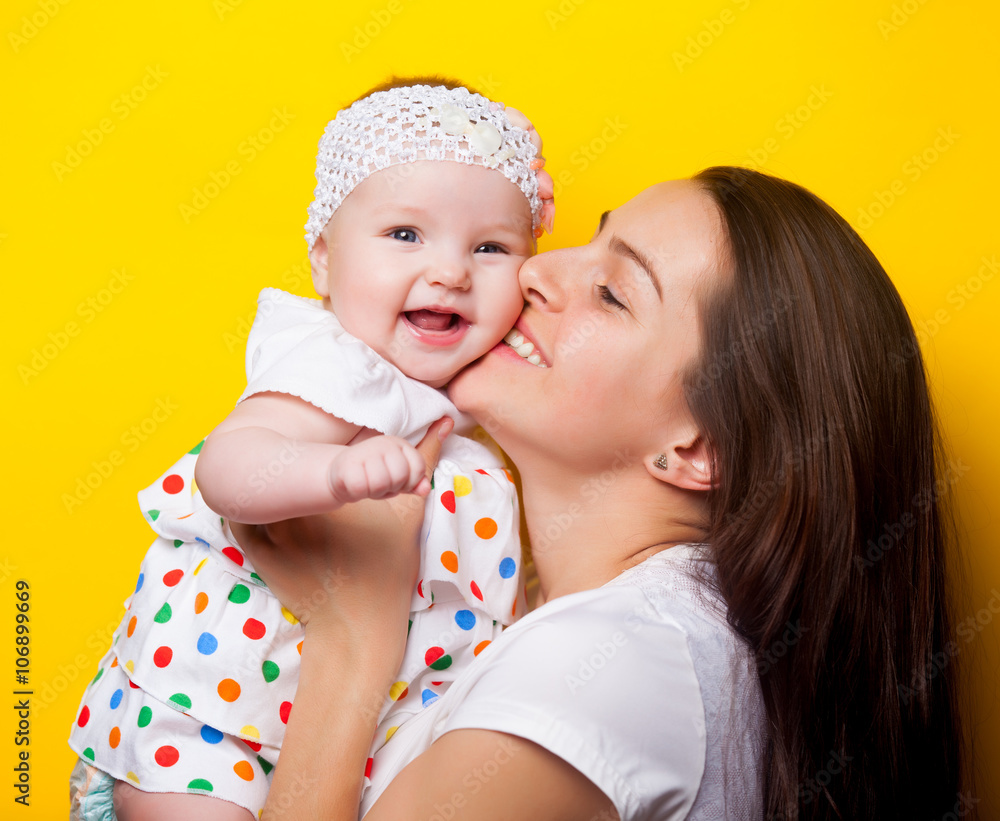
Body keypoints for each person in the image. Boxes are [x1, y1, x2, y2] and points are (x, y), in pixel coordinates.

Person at [239, 167, 965, 820]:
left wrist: (352, 639)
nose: (535, 271)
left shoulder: (601, 671)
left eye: (612, 293)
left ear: (695, 448)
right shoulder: (628, 630)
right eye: (587, 239)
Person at [67, 77, 557, 820]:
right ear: (324, 260)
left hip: (362, 731)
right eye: (404, 235)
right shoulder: (334, 366)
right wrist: (331, 471)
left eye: (491, 247)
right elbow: (226, 470)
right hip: (213, 704)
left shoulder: (477, 414)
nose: (451, 270)